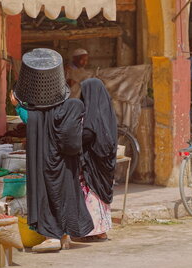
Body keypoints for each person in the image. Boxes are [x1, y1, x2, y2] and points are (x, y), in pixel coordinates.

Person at [10, 50, 94, 253]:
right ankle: (65, 235)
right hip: (66, 164)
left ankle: (52, 236)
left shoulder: (36, 117)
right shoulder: (69, 108)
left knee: (48, 195)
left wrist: (16, 105)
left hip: (45, 163)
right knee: (64, 194)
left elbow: (27, 118)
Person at [79, 78, 118, 241]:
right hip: (104, 162)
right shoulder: (107, 111)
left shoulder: (91, 114)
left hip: (93, 162)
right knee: (99, 194)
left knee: (92, 193)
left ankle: (94, 229)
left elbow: (87, 134)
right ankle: (101, 230)